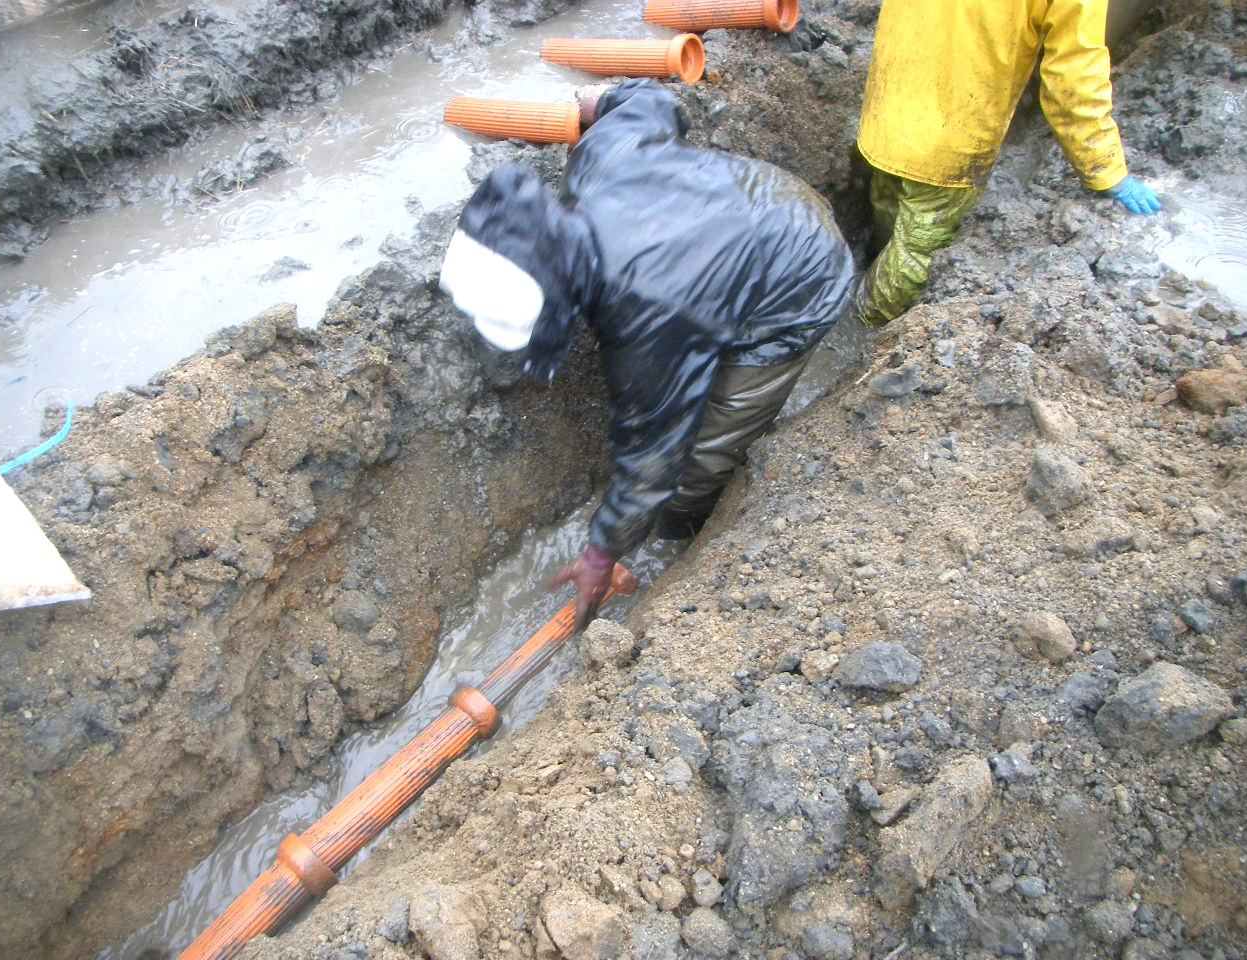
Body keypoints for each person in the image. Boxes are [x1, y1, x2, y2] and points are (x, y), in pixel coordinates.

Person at [439, 79, 856, 625]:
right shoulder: (599, 156)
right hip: (774, 196)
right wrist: (598, 103)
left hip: (798, 281)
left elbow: (652, 458)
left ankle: (686, 530)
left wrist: (600, 553)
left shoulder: (648, 315)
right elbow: (649, 100)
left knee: (707, 446)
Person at [847, 0, 1163, 327]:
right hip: (951, 132)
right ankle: (865, 324)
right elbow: (1074, 76)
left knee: (889, 198)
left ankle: (868, 266)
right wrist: (1106, 169)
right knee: (917, 247)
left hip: (889, 99)